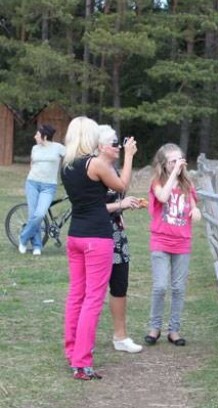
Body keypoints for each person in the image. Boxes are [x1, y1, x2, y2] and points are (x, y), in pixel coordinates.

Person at [60, 116, 134, 380]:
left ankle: (72, 352)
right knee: (93, 299)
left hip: (75, 237)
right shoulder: (96, 164)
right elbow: (122, 186)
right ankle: (82, 362)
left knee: (76, 296)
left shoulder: (66, 165)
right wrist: (129, 157)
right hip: (97, 238)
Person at [144, 143, 201, 347]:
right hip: (160, 240)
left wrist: (195, 212)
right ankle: (154, 327)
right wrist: (173, 176)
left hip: (182, 243)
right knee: (160, 286)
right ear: (164, 164)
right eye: (173, 161)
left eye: (180, 160)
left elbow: (194, 207)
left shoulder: (188, 185)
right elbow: (163, 197)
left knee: (178, 288)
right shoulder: (157, 182)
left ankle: (174, 330)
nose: (178, 164)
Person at [97, 125, 143, 354]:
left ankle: (120, 336)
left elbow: (120, 190)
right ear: (99, 147)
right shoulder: (94, 170)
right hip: (97, 234)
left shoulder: (112, 168)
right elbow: (92, 208)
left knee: (119, 285)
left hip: (116, 234)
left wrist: (120, 211)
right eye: (113, 143)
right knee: (93, 289)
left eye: (118, 143)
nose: (118, 146)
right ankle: (85, 337)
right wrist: (119, 206)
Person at [19, 124, 66, 255]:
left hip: (48, 186)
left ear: (44, 136)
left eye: (37, 135)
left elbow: (70, 157)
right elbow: (32, 164)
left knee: (39, 214)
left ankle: (23, 238)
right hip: (32, 183)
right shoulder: (35, 148)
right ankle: (37, 246)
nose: (35, 137)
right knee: (33, 215)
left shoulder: (58, 148)